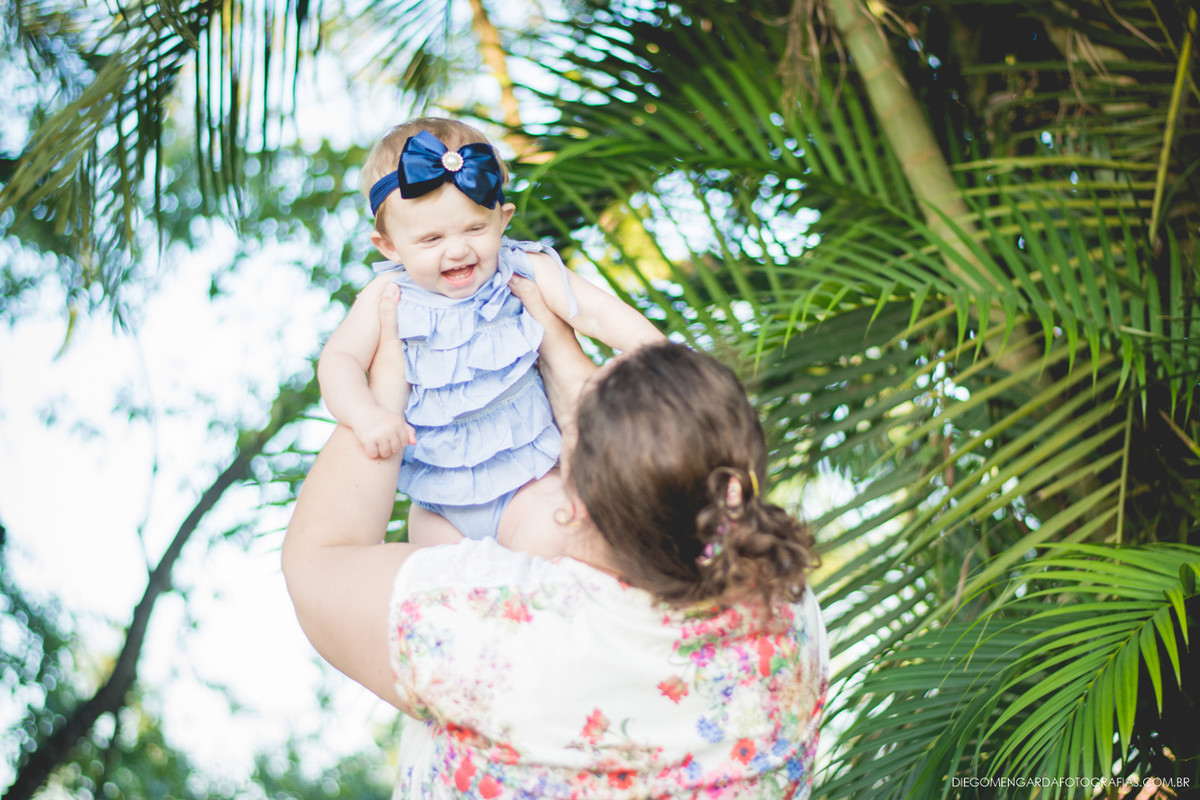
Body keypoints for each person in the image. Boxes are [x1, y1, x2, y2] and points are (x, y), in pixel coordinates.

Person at [283, 277, 829, 798]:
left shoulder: (504, 629)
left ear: (575, 508)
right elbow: (655, 460)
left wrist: (381, 394)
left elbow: (319, 561)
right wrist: (550, 334)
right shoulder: (784, 606)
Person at [318, 117, 663, 546]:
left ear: (503, 219)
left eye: (475, 228)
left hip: (530, 476)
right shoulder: (386, 294)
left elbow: (595, 313)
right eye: (431, 239)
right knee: (439, 591)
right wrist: (365, 414)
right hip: (438, 503)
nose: (458, 249)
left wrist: (658, 354)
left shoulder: (520, 267)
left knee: (559, 543)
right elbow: (340, 360)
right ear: (390, 246)